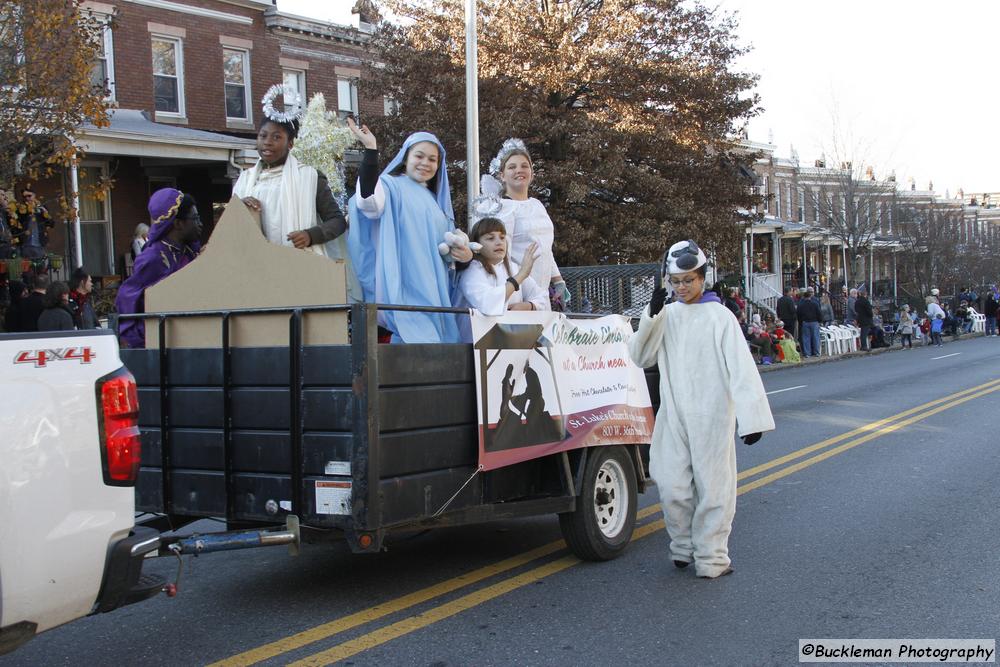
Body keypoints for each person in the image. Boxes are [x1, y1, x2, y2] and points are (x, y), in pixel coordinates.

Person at [628, 239, 774, 579]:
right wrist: (651, 314)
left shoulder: (720, 316)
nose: (682, 287)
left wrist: (751, 419)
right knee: (671, 484)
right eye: (676, 281)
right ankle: (682, 546)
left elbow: (741, 368)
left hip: (711, 414)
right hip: (674, 413)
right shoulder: (667, 314)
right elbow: (640, 356)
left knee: (713, 487)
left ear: (702, 277)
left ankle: (711, 557)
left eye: (688, 280)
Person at [347, 119, 472, 343]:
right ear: (405, 158)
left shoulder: (437, 204)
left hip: (435, 292)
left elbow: (450, 251)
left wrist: (465, 256)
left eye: (432, 159)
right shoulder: (389, 186)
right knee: (414, 343)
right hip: (404, 288)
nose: (425, 163)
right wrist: (371, 150)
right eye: (419, 156)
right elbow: (369, 203)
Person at [234, 107, 360, 301]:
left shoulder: (310, 177)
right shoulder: (244, 180)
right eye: (263, 135)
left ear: (290, 143)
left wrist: (311, 235)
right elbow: (233, 225)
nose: (267, 142)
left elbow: (337, 221)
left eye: (276, 137)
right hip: (257, 270)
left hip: (299, 267)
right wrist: (241, 208)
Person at [115, 188, 202, 348]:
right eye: (195, 218)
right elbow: (131, 299)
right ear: (178, 223)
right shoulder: (153, 257)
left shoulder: (190, 251)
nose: (200, 224)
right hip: (166, 343)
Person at [489, 139, 567, 311]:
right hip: (520, 292)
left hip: (542, 291)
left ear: (531, 171)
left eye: (524, 166)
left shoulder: (537, 205)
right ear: (502, 175)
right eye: (512, 167)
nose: (519, 170)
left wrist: (557, 280)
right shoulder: (504, 208)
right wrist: (515, 292)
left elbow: (544, 248)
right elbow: (502, 255)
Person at [455, 217, 547, 341]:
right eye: (490, 238)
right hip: (473, 346)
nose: (499, 242)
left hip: (510, 345)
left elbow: (541, 297)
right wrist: (520, 276)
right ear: (476, 244)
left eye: (502, 237)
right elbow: (488, 303)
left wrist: (529, 305)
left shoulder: (513, 268)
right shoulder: (472, 270)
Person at [13, 188, 53, 259]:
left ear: (34, 196)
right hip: (25, 245)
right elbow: (15, 225)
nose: (27, 198)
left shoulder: (41, 208)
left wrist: (46, 214)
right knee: (26, 268)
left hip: (39, 244)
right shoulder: (21, 210)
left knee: (39, 266)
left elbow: (51, 224)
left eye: (29, 196)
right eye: (24, 197)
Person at [796, 288, 822, 357]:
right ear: (810, 296)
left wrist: (801, 322)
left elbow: (798, 314)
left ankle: (807, 353)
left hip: (805, 322)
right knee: (815, 337)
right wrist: (820, 321)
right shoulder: (815, 304)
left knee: (806, 338)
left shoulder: (801, 305)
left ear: (804, 297)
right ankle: (816, 352)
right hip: (814, 322)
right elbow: (819, 313)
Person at [0, 189, 14, 259]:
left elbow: (12, 225)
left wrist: (8, 211)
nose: (4, 197)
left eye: (4, 195)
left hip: (5, 244)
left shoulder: (4, 211)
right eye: (2, 195)